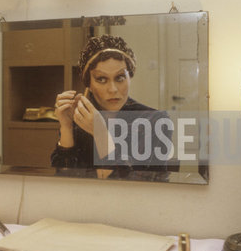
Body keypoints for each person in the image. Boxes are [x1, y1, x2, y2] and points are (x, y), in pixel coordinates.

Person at [51, 35, 173, 180]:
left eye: (120, 78)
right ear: (88, 83)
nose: (113, 89)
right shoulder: (80, 118)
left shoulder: (155, 121)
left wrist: (101, 133)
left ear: (130, 77)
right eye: (101, 79)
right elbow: (63, 181)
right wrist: (66, 127)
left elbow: (134, 186)